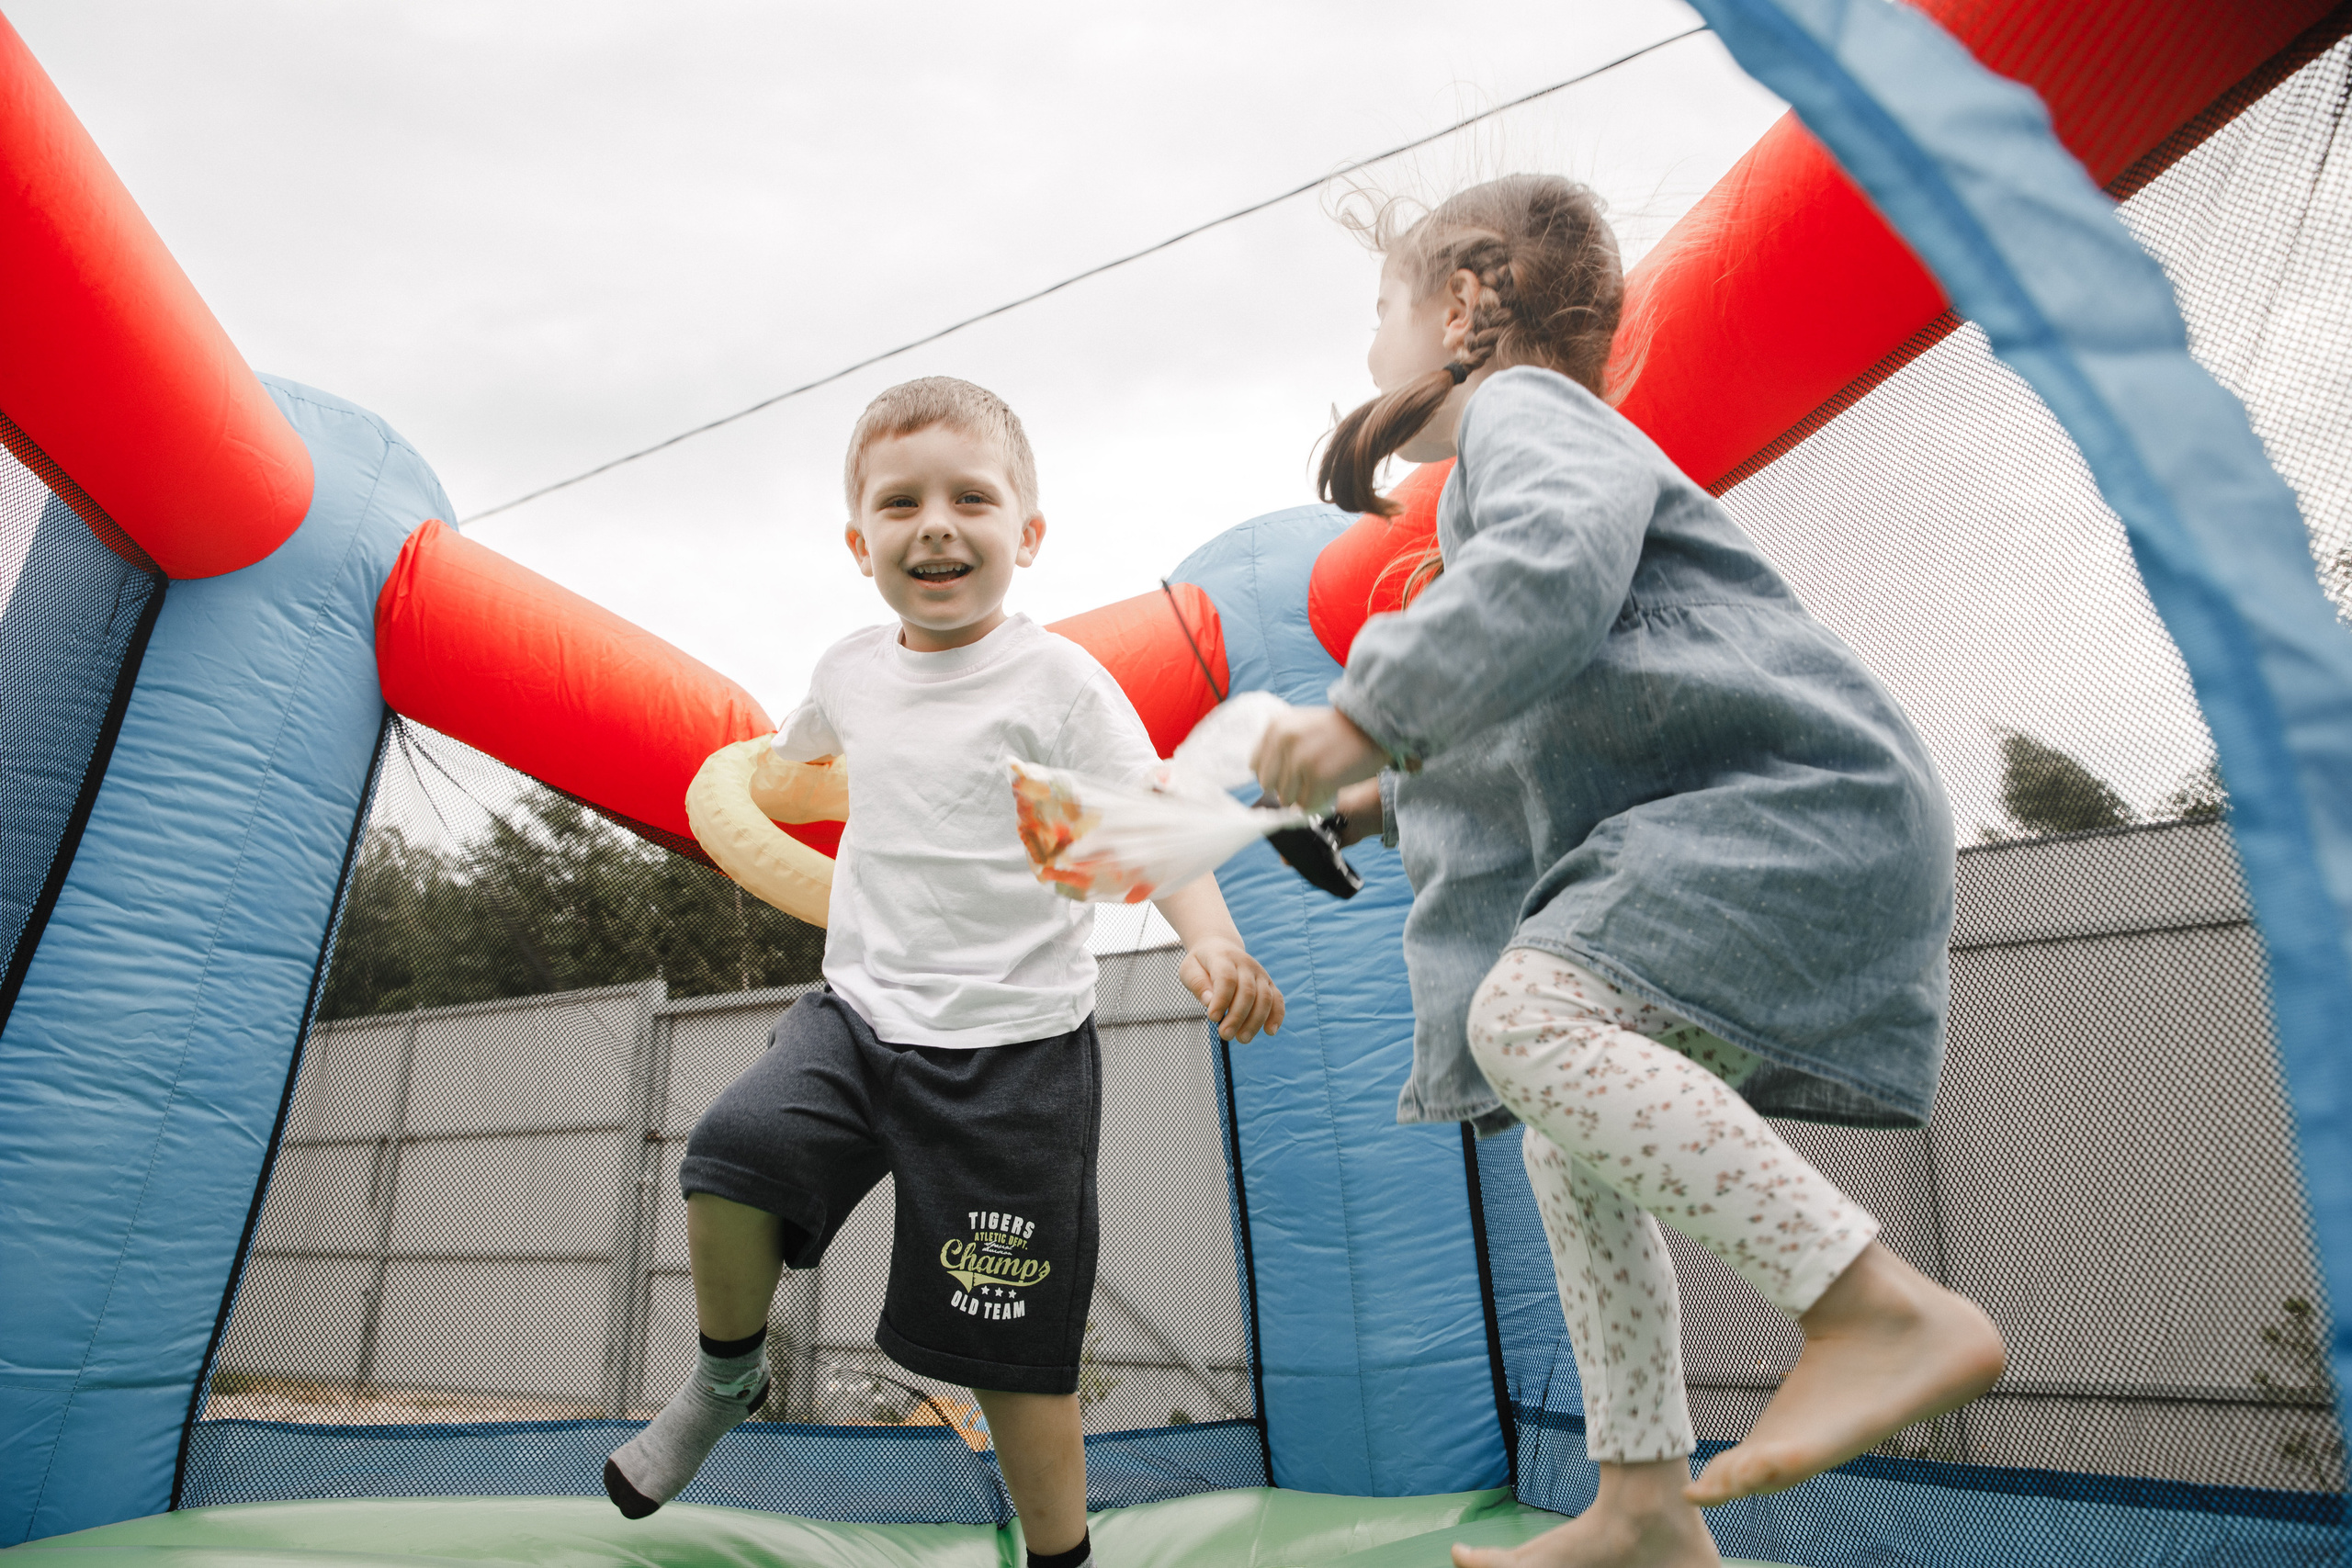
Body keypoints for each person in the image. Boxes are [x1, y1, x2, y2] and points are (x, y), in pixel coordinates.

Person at [1251, 176, 2007, 1568]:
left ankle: (1874, 1306)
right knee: (1565, 1127)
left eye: (1382, 311)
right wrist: (1370, 800)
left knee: (1528, 1021)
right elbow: (1518, 739)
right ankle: (1644, 1504)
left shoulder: (1532, 432)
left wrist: (1368, 707)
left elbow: (1548, 570)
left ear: (1464, 308)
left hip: (1783, 808)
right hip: (1747, 826)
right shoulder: (1512, 479)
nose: (1369, 351)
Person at [606, 377, 1284, 1568]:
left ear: (1027, 534)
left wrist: (1213, 940)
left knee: (1013, 1360)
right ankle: (726, 1380)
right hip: (858, 1018)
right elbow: (788, 765)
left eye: (971, 498)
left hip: (1012, 1058)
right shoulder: (853, 671)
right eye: (900, 502)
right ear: (859, 541)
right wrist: (742, 792)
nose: (936, 524)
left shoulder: (1059, 684)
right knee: (729, 1156)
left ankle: (1059, 1555)